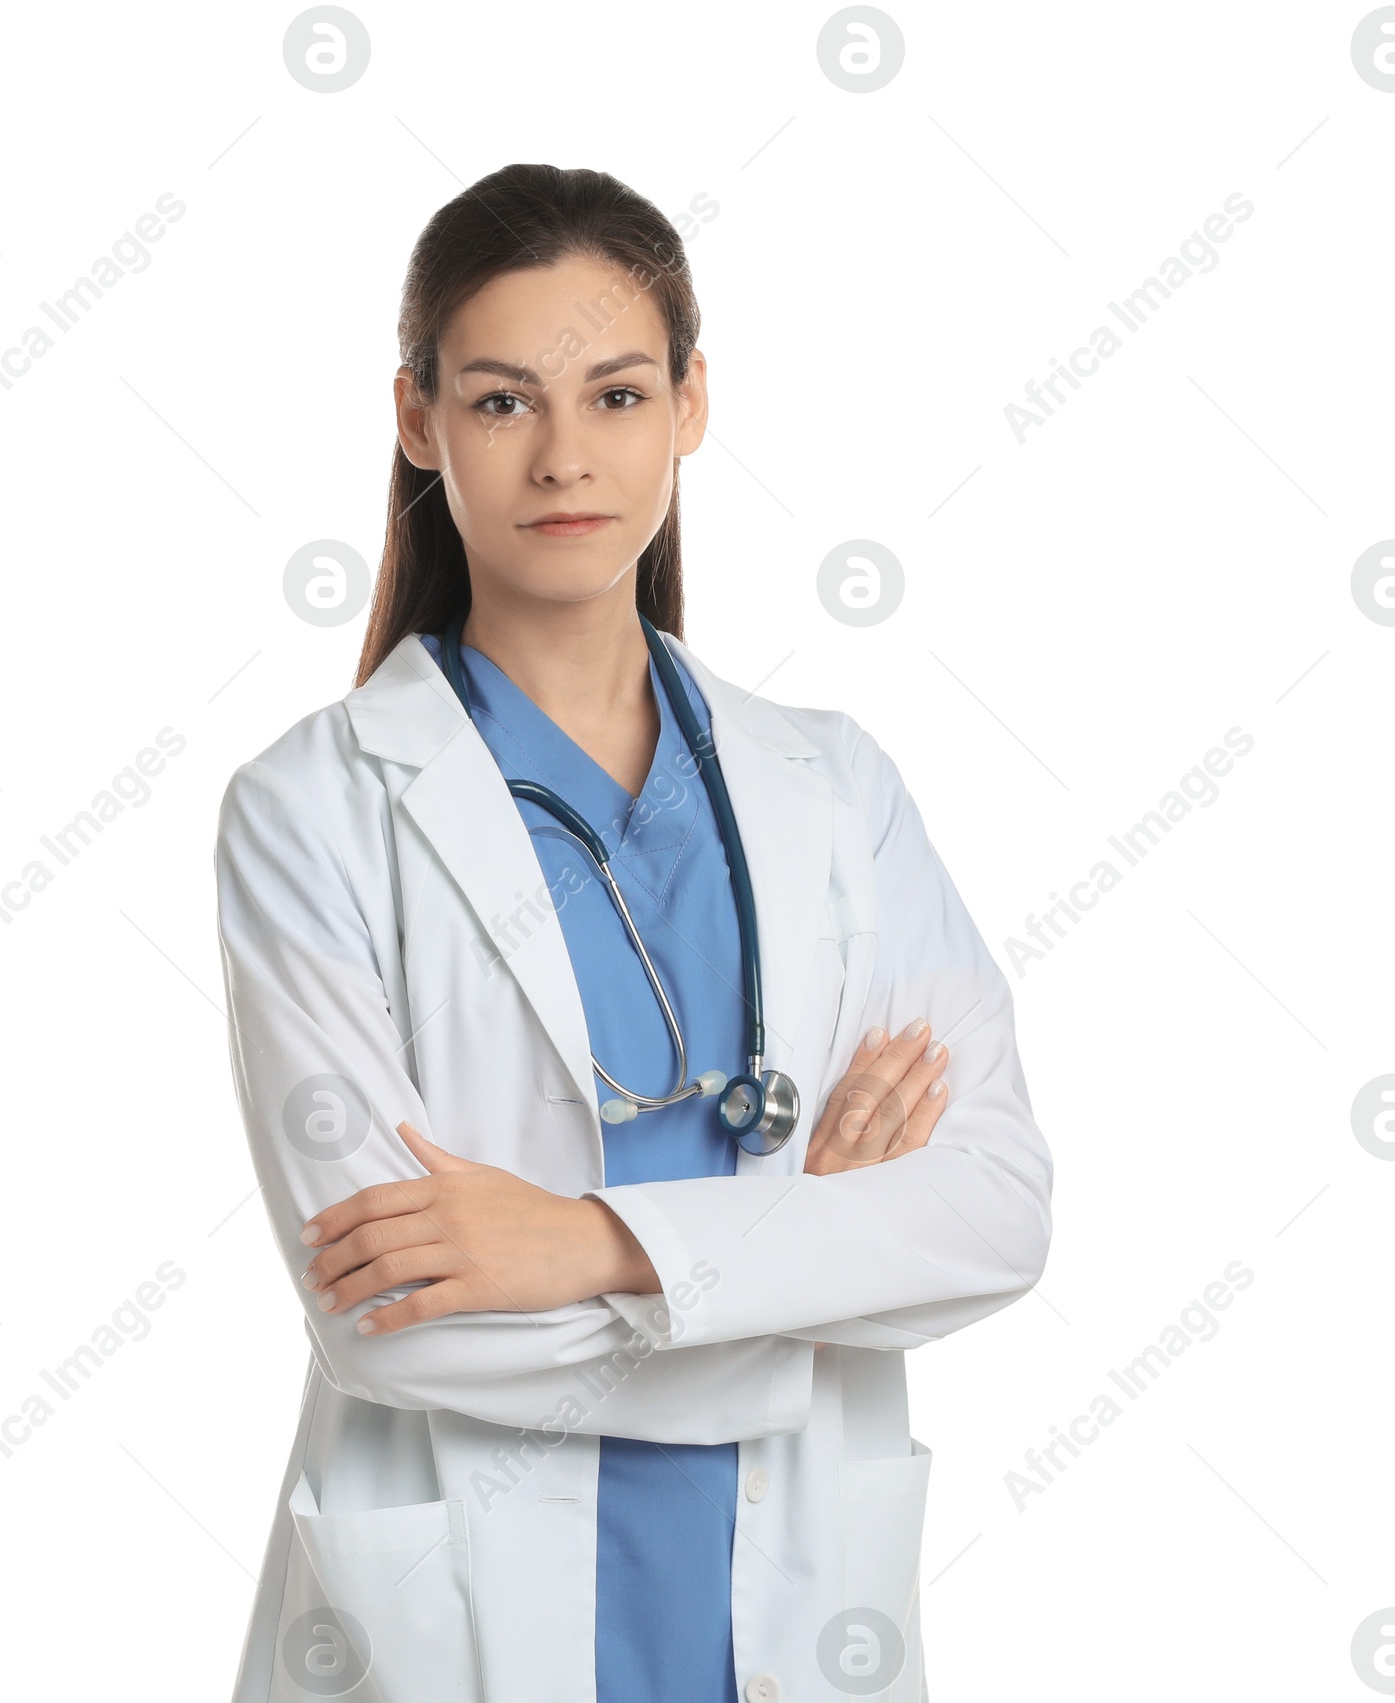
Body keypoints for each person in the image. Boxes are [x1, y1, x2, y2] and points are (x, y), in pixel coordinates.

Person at [215, 162, 1053, 1703]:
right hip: (452, 1616)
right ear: (418, 424)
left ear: (691, 404)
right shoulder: (311, 809)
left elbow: (994, 1213)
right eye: (498, 402)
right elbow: (391, 1327)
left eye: (613, 394)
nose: (561, 457)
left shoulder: (837, 787)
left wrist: (579, 1242)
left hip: (792, 1610)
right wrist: (806, 1262)